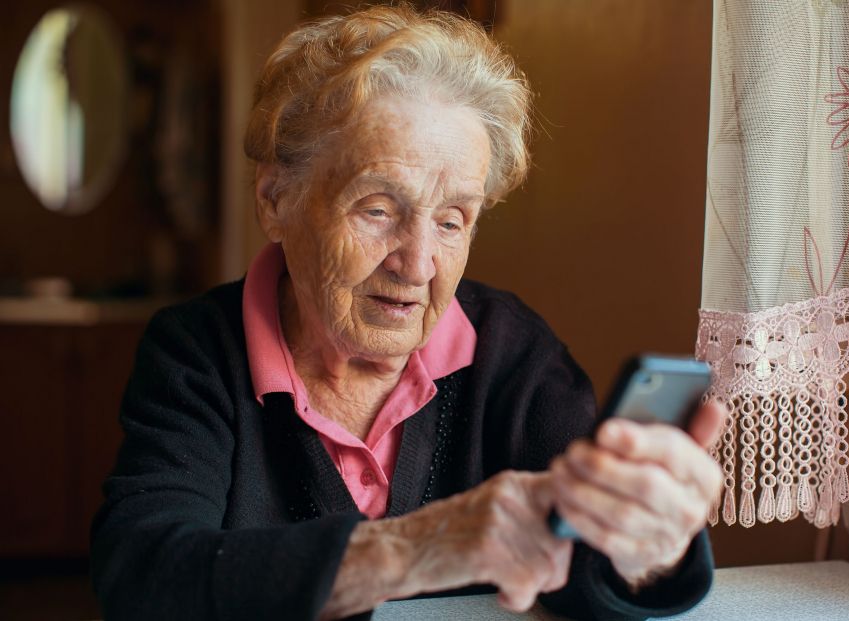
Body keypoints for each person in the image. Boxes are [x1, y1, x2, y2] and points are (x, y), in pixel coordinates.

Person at [91, 4, 725, 620]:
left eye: (452, 221)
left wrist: (645, 546)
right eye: (376, 209)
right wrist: (418, 548)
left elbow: (580, 562)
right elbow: (144, 575)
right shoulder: (198, 352)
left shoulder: (510, 350)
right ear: (276, 199)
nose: (418, 265)